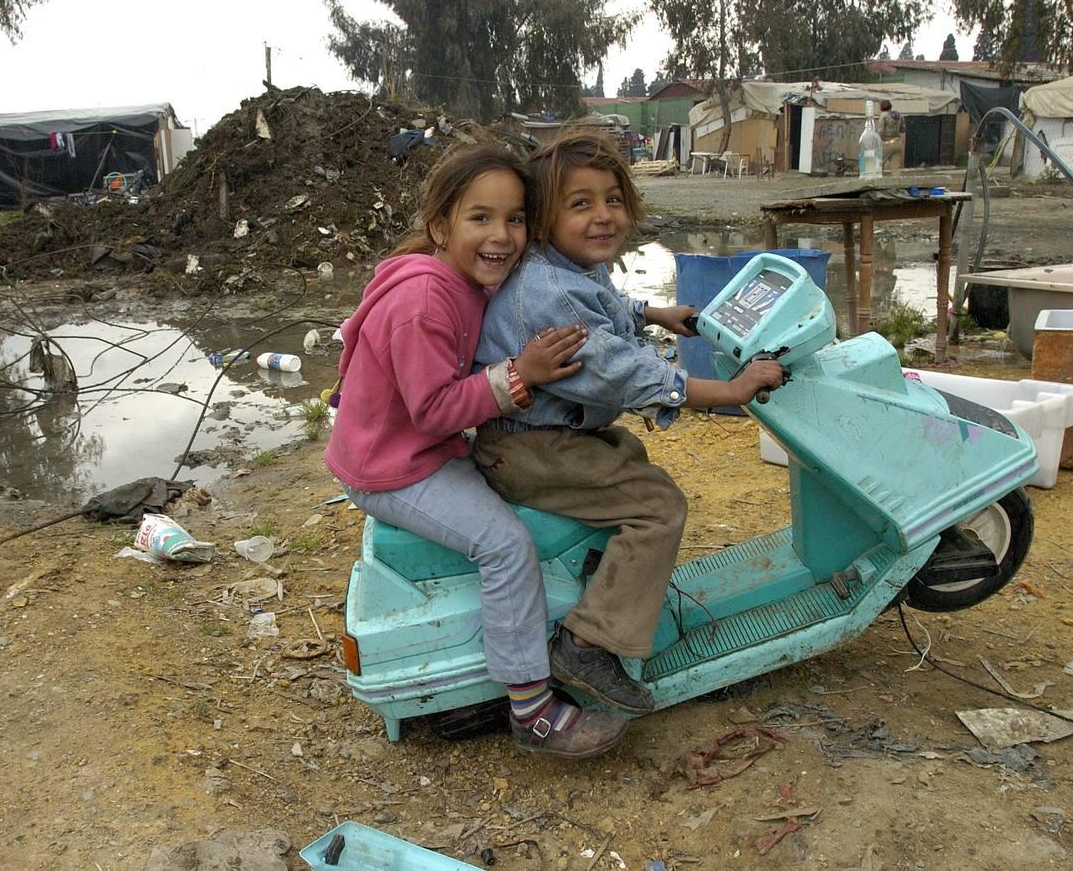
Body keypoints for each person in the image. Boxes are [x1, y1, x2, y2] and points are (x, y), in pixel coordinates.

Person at [325, 143, 630, 758]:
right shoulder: (424, 300)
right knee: (504, 544)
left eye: (515, 219)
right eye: (481, 218)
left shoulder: (457, 278)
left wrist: (639, 313)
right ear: (441, 226)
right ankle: (532, 708)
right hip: (393, 467)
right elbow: (434, 408)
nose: (502, 236)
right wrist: (524, 374)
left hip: (409, 446)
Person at [473, 130, 785, 718]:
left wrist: (656, 313)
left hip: (543, 433)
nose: (603, 216)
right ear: (543, 217)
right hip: (529, 446)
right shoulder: (547, 293)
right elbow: (624, 374)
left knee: (627, 460)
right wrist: (733, 390)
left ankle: (607, 580)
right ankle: (588, 642)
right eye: (581, 203)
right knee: (658, 505)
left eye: (612, 199)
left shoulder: (561, 269)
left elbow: (605, 308)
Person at [879, 99, 905, 170]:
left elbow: (881, 131)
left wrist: (879, 140)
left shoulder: (883, 116)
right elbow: (903, 129)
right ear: (890, 106)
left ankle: (878, 181)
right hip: (898, 143)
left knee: (878, 164)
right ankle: (897, 181)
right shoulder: (899, 115)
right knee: (896, 168)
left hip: (887, 143)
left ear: (881, 107)